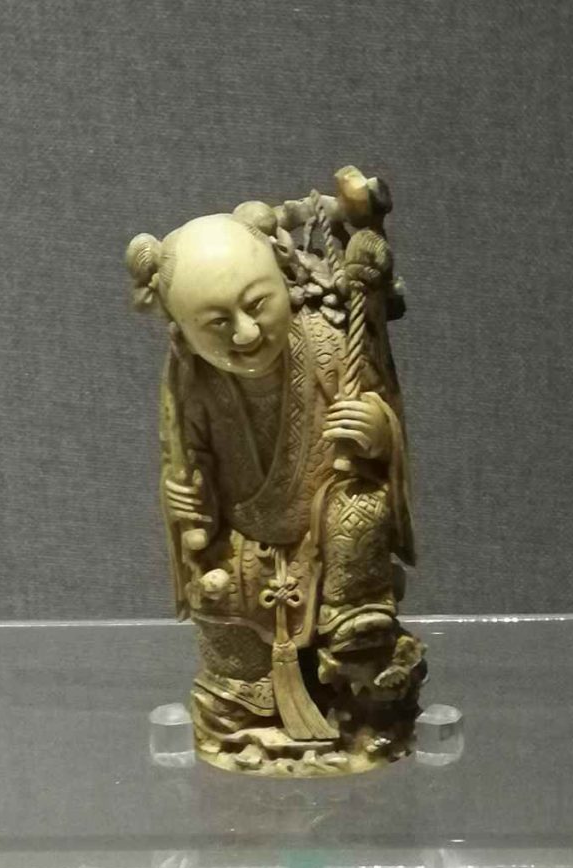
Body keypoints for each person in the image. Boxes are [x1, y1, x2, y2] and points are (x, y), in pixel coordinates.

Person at [127, 200, 425, 775]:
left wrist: (376, 432)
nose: (245, 332)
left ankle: (362, 677)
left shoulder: (330, 343)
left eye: (257, 304)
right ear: (183, 331)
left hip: (326, 532)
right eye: (217, 323)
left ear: (283, 283)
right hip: (246, 539)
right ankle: (247, 710)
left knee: (359, 512)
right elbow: (190, 465)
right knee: (222, 600)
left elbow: (385, 422)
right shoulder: (193, 377)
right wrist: (187, 501)